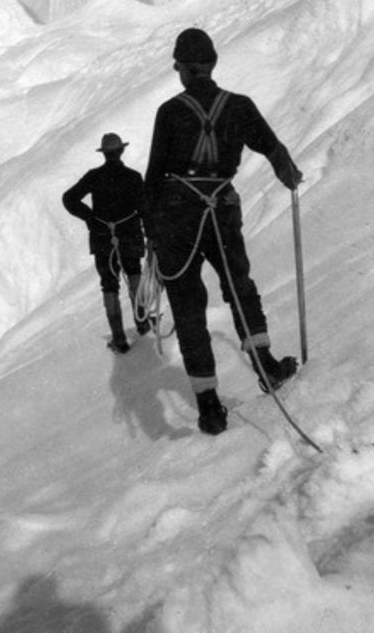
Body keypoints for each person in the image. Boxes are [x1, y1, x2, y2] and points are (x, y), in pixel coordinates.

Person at [144, 28, 303, 435]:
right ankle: (266, 368)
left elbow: (154, 176)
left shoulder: (170, 111)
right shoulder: (240, 106)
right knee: (239, 286)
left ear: (180, 69)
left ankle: (210, 407)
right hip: (222, 209)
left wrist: (152, 234)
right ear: (213, 64)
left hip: (177, 215)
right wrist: (287, 172)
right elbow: (272, 147)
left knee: (188, 303)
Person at [62, 133, 151, 353]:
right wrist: (150, 233)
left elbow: (69, 198)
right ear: (121, 151)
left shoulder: (94, 176)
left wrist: (90, 218)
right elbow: (144, 208)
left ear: (104, 154)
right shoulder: (133, 177)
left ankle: (119, 338)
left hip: (103, 237)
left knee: (109, 284)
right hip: (129, 235)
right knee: (134, 275)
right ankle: (143, 324)